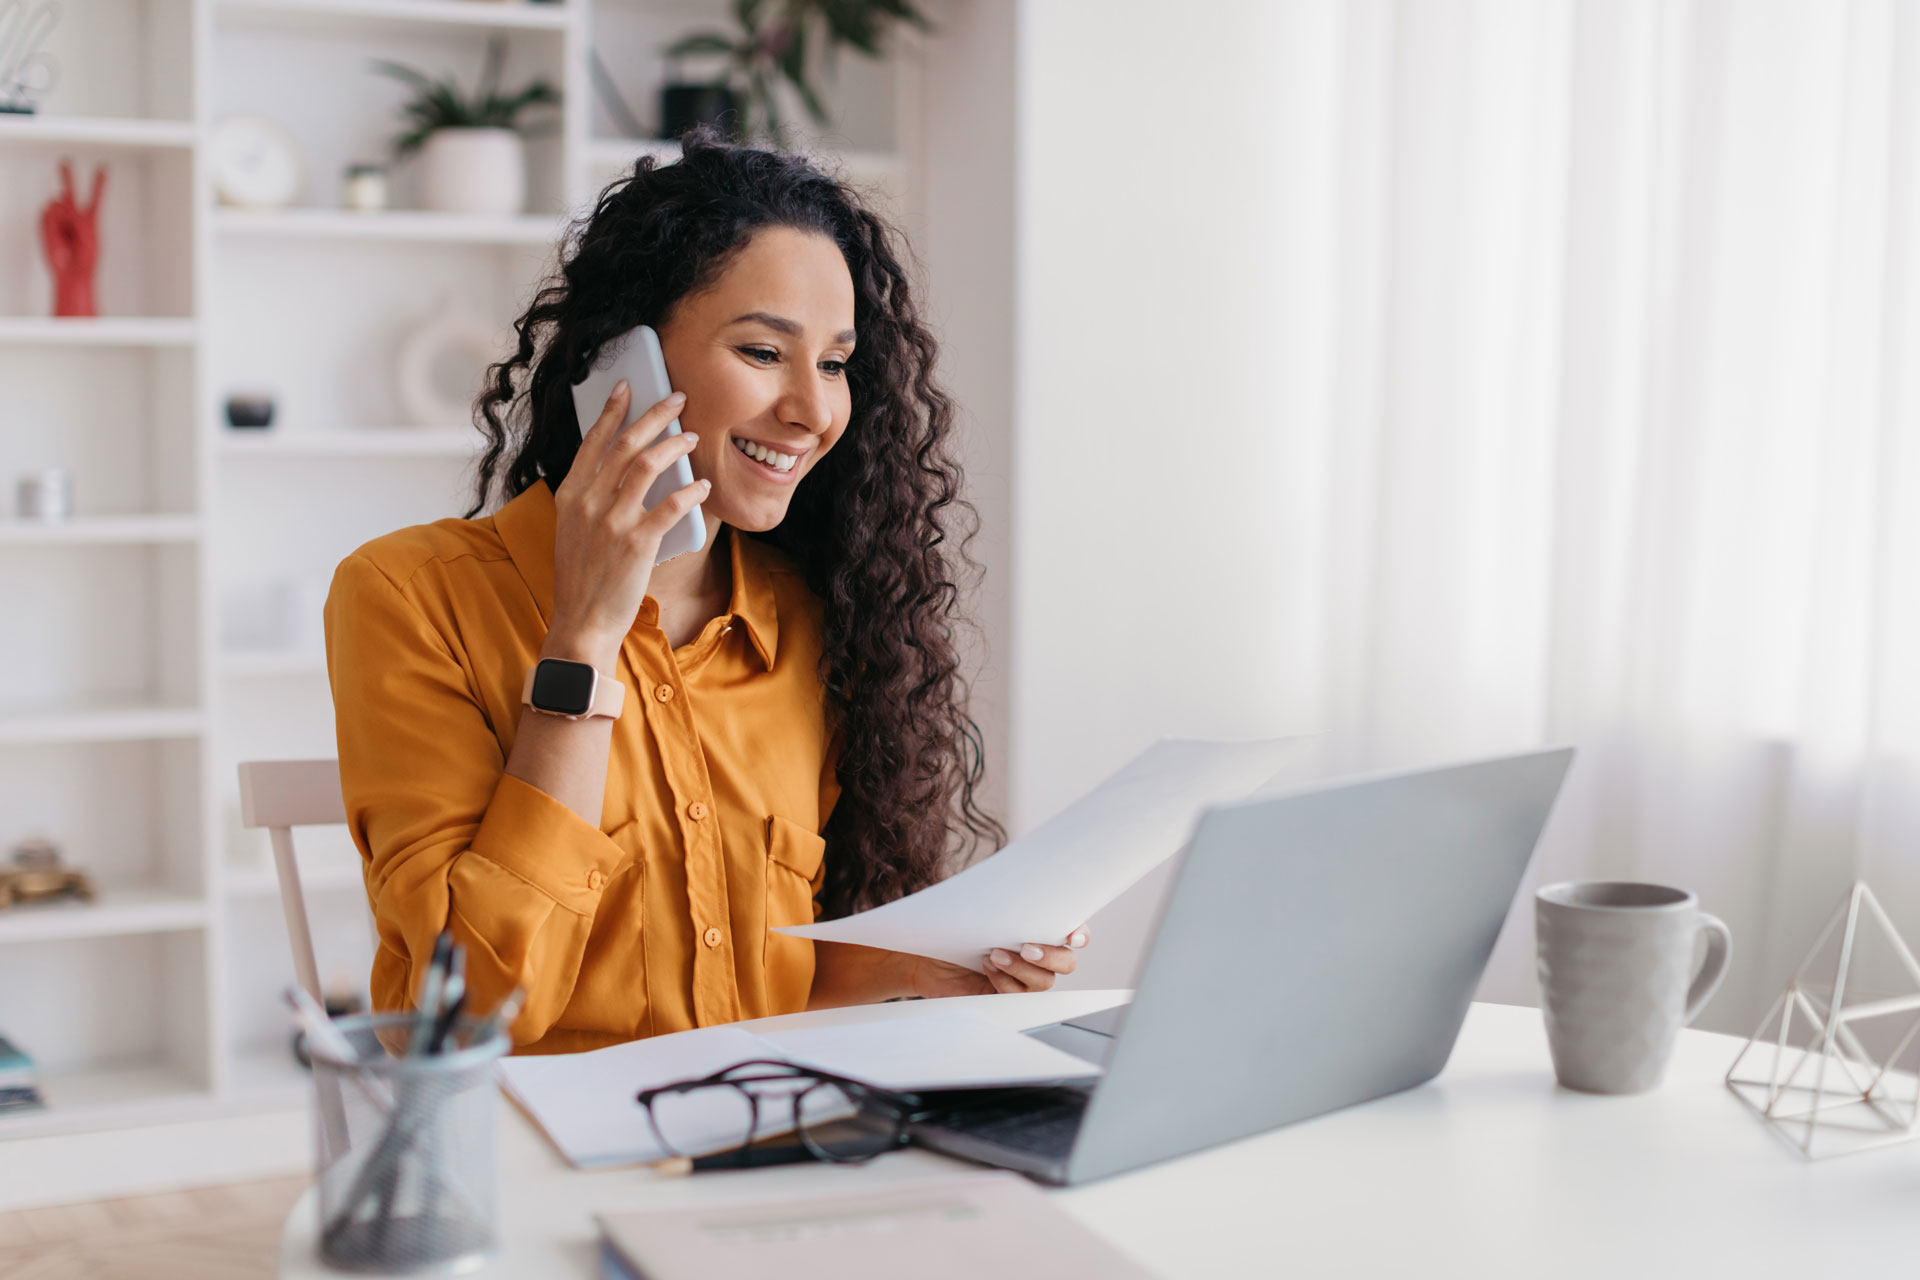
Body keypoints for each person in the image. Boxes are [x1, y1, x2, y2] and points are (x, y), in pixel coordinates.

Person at [325, 130, 1086, 1054]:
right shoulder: (407, 596)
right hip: (529, 1157)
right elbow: (463, 1016)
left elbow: (746, 995)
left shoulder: (809, 619)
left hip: (745, 1127)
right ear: (622, 366)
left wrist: (930, 967)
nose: (813, 411)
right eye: (765, 351)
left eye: (837, 363)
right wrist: (585, 639)